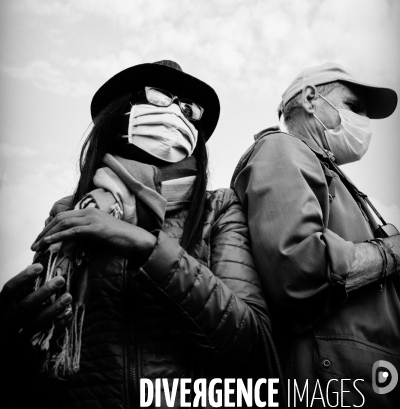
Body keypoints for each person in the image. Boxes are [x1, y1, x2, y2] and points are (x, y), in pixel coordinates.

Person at [1, 60, 281, 409]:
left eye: (189, 109)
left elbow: (257, 353)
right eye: (160, 96)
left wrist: (147, 246)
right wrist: (14, 344)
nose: (177, 113)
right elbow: (46, 367)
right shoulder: (71, 215)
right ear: (119, 113)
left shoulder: (218, 208)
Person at [232, 62, 400, 408]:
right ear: (310, 99)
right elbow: (299, 270)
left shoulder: (337, 180)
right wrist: (391, 253)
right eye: (355, 107)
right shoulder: (282, 149)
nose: (364, 124)